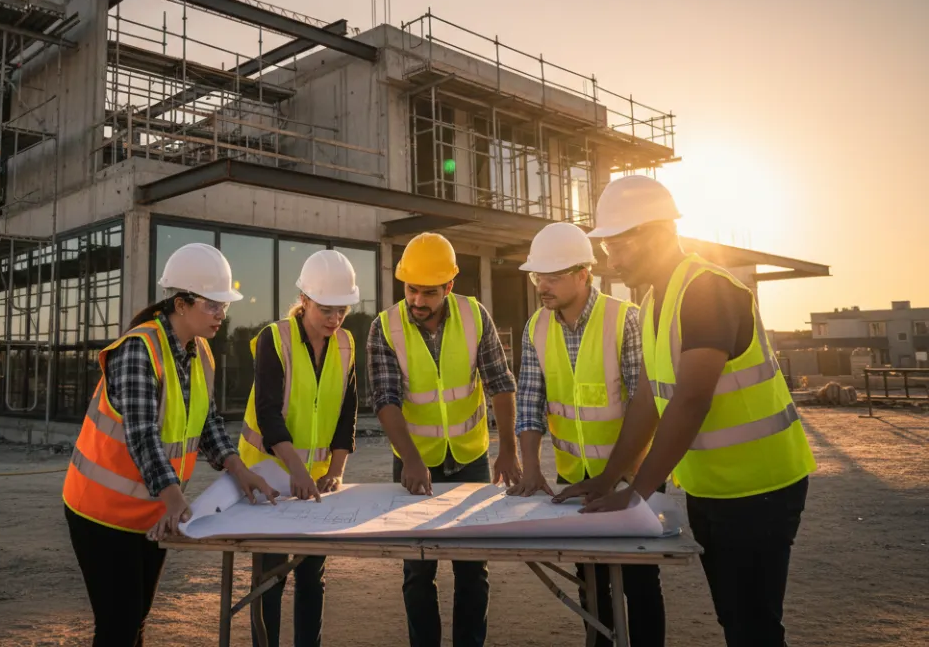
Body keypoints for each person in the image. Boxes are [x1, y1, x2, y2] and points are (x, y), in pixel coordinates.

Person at [554, 175, 817, 647]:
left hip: (761, 486)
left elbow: (691, 398)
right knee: (735, 619)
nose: (609, 258)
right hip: (713, 488)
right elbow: (647, 401)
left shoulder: (707, 290)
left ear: (655, 233)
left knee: (752, 626)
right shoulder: (655, 301)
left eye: (617, 243)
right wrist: (609, 476)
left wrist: (636, 492)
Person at [62, 242, 279, 647]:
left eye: (224, 305)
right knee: (118, 627)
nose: (222, 314)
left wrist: (238, 468)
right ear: (181, 304)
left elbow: (208, 424)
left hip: (151, 510)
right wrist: (176, 499)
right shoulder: (138, 350)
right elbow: (142, 434)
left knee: (136, 622)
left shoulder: (200, 354)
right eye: (213, 305)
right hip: (100, 512)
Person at [509, 221, 666, 646]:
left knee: (639, 581)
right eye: (538, 275)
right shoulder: (536, 328)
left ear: (584, 273)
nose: (542, 285)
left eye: (553, 276)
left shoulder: (626, 320)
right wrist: (529, 469)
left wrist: (620, 478)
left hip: (629, 478)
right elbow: (529, 403)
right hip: (574, 480)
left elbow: (643, 406)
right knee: (591, 584)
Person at [368, 232, 521, 647]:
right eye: (411, 289)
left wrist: (508, 448)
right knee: (418, 569)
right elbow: (385, 399)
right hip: (415, 462)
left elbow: (500, 383)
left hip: (472, 457)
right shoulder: (385, 327)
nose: (417, 300)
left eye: (428, 292)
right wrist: (412, 459)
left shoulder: (475, 316)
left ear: (449, 287)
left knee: (472, 568)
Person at [238, 249, 362, 647]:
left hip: (314, 484)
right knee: (270, 578)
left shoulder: (345, 344)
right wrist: (297, 471)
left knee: (312, 576)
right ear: (304, 300)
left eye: (341, 309)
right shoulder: (274, 339)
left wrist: (336, 469)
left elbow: (347, 411)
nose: (335, 318)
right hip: (270, 478)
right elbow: (269, 414)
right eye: (326, 308)